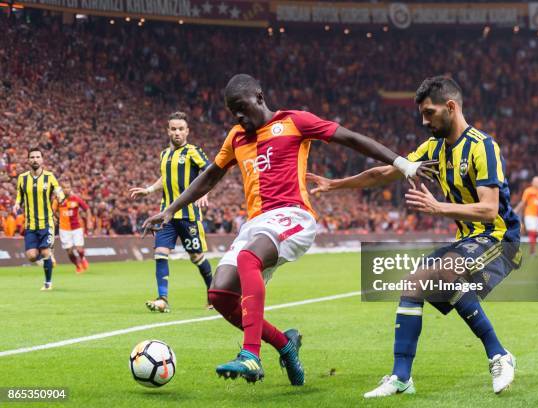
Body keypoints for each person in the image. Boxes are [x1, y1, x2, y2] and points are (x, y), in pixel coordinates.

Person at [142, 74, 437, 385]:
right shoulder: (236, 137)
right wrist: (170, 209)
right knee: (219, 294)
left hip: (293, 215)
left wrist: (404, 164)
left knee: (248, 258)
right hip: (256, 223)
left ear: (259, 97)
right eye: (233, 113)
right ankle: (285, 344)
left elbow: (350, 138)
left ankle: (250, 355)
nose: (239, 117)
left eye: (242, 108)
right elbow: (211, 175)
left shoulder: (295, 121)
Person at [307, 76, 521, 397]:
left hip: (500, 240)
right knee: (413, 283)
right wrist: (334, 184)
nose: (424, 121)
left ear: (451, 107)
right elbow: (384, 172)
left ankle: (499, 355)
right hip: (469, 242)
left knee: (446, 270)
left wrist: (438, 208)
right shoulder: (432, 148)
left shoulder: (482, 147)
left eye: (430, 113)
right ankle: (401, 378)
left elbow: (490, 210)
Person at [130, 111, 213, 313]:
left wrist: (205, 192)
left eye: (181, 129)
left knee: (196, 257)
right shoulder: (164, 154)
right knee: (160, 253)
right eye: (173, 129)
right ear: (168, 131)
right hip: (166, 215)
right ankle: (162, 299)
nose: (177, 133)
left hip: (189, 215)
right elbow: (165, 178)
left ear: (187, 131)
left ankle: (214, 294)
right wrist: (148, 190)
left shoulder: (193, 151)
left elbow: (211, 171)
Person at [13, 147, 65, 290]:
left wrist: (61, 197)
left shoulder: (50, 177)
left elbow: (58, 190)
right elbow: (20, 195)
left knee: (45, 252)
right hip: (30, 224)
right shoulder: (22, 178)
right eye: (32, 157)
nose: (35, 159)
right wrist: (17, 204)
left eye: (37, 157)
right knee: (31, 256)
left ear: (42, 160)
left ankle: (48, 283)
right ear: (28, 160)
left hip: (47, 223)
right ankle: (47, 260)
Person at [57, 184, 91, 273]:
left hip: (76, 227)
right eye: (64, 188)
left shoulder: (76, 199)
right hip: (64, 229)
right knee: (69, 252)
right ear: (61, 189)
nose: (66, 189)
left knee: (79, 248)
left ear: (70, 189)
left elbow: (87, 209)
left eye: (68, 187)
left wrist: (89, 221)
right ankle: (77, 265)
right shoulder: (57, 200)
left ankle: (83, 258)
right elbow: (52, 211)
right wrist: (57, 218)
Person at [514, 176, 538, 255]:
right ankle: (532, 251)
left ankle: (532, 249)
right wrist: (515, 210)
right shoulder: (528, 191)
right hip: (529, 214)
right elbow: (523, 203)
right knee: (532, 232)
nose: (537, 183)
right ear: (532, 183)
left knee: (536, 233)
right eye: (535, 181)